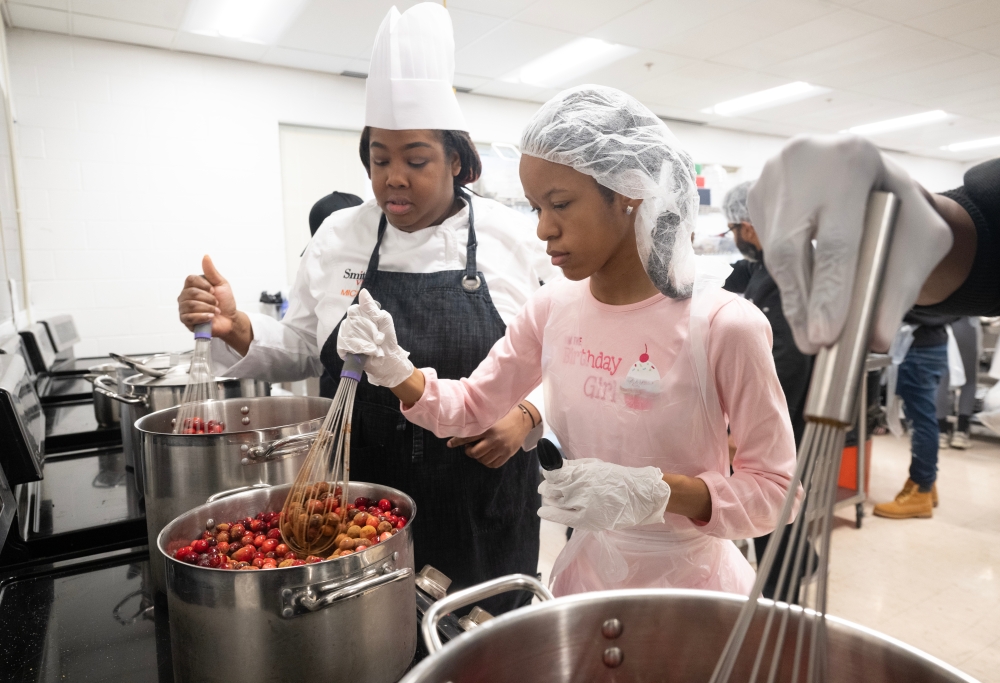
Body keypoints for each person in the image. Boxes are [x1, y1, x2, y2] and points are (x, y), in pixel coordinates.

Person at [336, 85, 797, 597]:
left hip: (692, 590)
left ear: (628, 193)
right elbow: (473, 405)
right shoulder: (555, 306)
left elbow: (776, 493)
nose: (542, 230)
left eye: (560, 204)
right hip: (587, 580)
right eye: (536, 207)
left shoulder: (723, 325)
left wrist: (658, 492)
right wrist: (398, 372)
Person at [175, 3, 553, 614]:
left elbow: (564, 353)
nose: (393, 179)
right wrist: (239, 329)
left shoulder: (515, 239)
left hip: (481, 492)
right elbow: (303, 344)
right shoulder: (338, 239)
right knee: (366, 642)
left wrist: (530, 416)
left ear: (456, 160)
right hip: (357, 495)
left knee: (482, 645)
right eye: (380, 160)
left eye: (416, 160)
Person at [746, 137, 1000, 549]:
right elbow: (999, 243)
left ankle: (924, 483)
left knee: (923, 414)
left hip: (923, 347)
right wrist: (940, 219)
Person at [722, 180, 814, 598]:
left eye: (734, 229)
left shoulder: (786, 267)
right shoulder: (767, 264)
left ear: (749, 225)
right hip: (782, 409)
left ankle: (783, 595)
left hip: (788, 410)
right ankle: (802, 561)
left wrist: (746, 426)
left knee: (773, 500)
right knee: (776, 498)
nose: (737, 239)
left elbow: (785, 356)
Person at [874, 311, 956, 519]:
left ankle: (921, 490)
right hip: (932, 341)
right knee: (924, 418)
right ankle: (925, 482)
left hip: (917, 346)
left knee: (921, 421)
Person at [936, 317, 979, 450]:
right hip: (965, 323)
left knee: (942, 380)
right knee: (969, 380)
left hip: (940, 323)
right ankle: (961, 431)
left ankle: (941, 431)